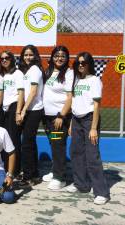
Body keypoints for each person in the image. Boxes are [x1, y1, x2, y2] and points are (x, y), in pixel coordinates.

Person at [66, 52, 110, 205]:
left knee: (92, 156)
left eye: (84, 63)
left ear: (89, 64)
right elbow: (75, 103)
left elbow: (97, 105)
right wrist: (72, 123)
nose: (80, 65)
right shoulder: (76, 80)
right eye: (78, 62)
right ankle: (81, 184)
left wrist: (93, 128)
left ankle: (101, 192)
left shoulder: (95, 80)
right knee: (76, 152)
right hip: (76, 120)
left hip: (90, 120)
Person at [41, 46, 73, 190]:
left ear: (67, 58)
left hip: (58, 117)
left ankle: (60, 178)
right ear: (52, 57)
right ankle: (55, 170)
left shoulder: (69, 73)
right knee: (53, 143)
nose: (59, 58)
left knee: (58, 145)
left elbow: (70, 98)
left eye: (63, 56)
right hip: (47, 116)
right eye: (56, 55)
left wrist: (61, 115)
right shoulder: (48, 72)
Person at [17, 45, 44, 187]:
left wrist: (23, 110)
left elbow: (33, 92)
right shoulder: (27, 71)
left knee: (27, 143)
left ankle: (28, 177)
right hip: (28, 110)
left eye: (30, 55)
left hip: (33, 110)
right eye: (25, 55)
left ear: (35, 56)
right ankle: (33, 173)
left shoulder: (35, 70)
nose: (27, 57)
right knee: (30, 142)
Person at [0, 50, 24, 179]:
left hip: (13, 107)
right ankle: (6, 167)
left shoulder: (18, 73)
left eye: (7, 57)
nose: (4, 60)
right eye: (2, 58)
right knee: (4, 139)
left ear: (12, 59)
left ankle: (15, 170)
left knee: (13, 140)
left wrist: (18, 112)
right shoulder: (2, 74)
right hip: (3, 109)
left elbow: (21, 93)